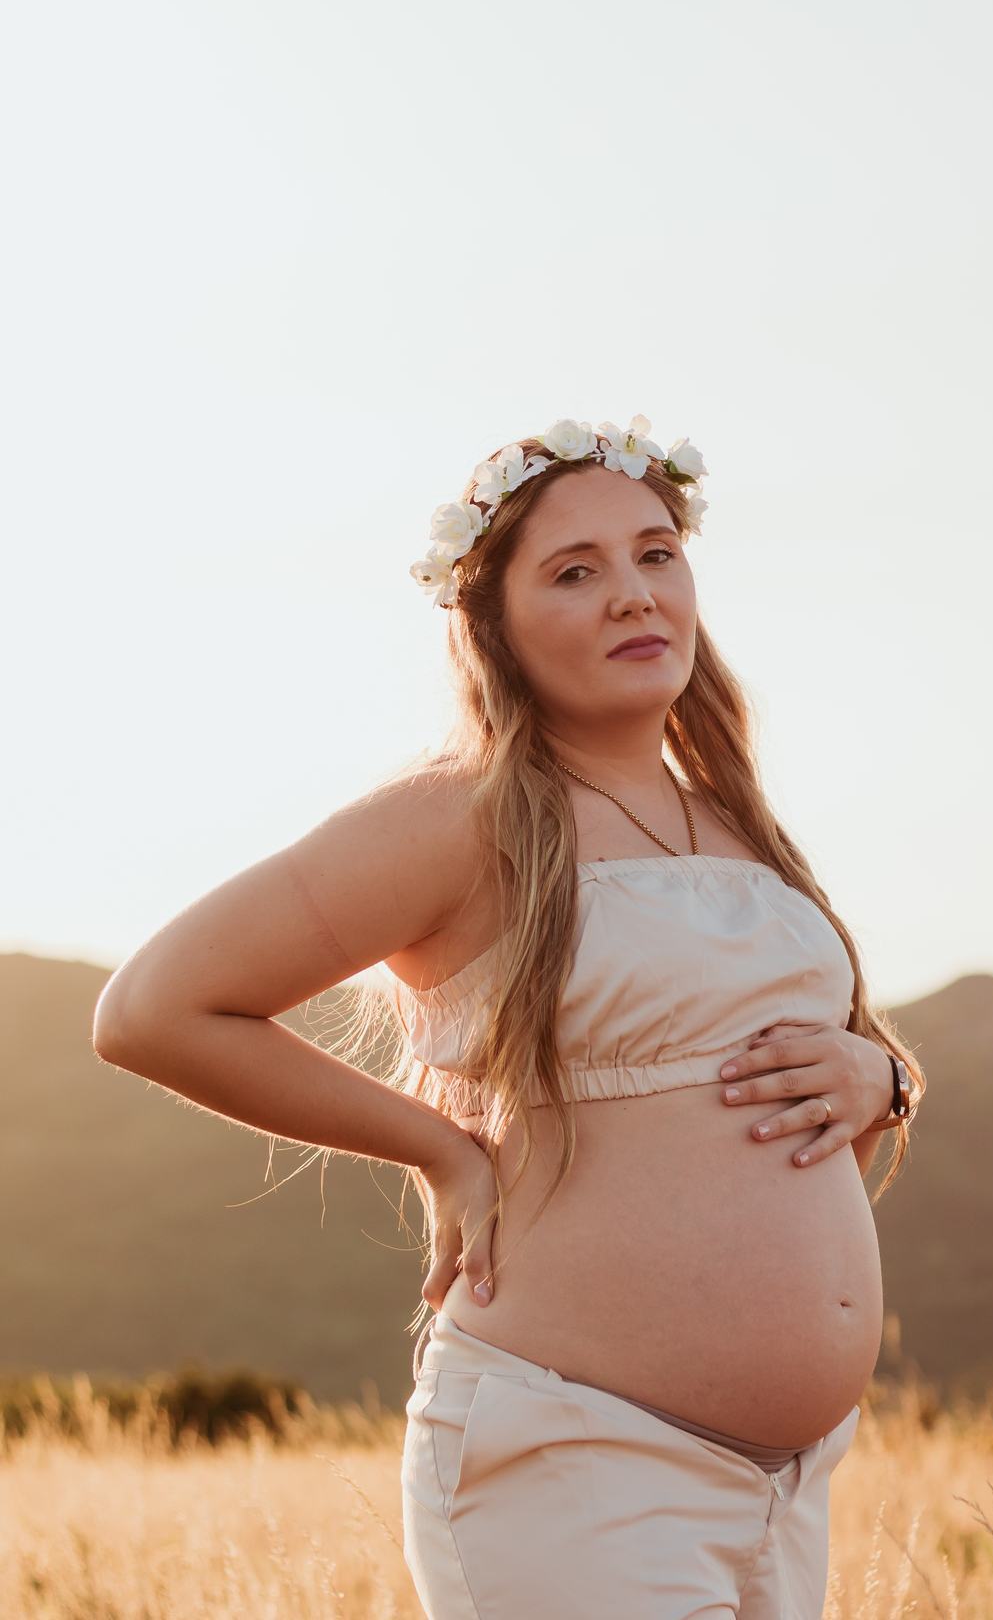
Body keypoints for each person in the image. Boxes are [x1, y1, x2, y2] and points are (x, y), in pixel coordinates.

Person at [94, 416, 923, 1620]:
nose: (633, 593)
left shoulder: (737, 822)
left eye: (656, 553)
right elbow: (151, 1009)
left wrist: (879, 1079)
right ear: (495, 625)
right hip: (578, 1463)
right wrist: (439, 1150)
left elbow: (803, 1073)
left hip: (786, 1492)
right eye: (575, 572)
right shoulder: (464, 816)